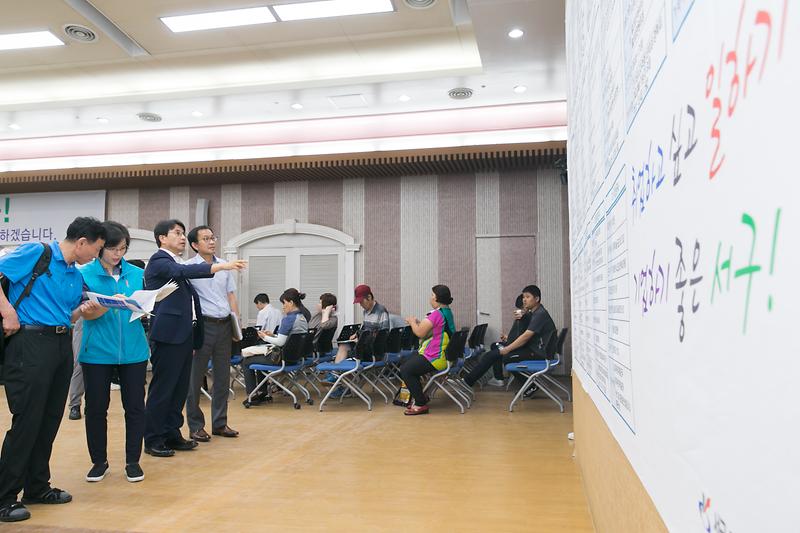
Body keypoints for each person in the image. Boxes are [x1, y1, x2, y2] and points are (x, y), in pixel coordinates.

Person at [0, 217, 106, 523]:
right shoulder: (38, 252)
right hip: (29, 342)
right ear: (82, 242)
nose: (95, 257)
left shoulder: (74, 274)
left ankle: (37, 486)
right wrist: (7, 311)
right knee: (27, 420)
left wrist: (89, 310)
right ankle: (5, 496)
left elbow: (70, 313)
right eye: (96, 250)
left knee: (49, 419)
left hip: (60, 344)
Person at [143, 219, 246, 458]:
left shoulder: (175, 262)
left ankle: (172, 433)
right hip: (168, 336)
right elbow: (181, 272)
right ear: (162, 238)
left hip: (184, 335)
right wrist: (220, 267)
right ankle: (153, 439)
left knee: (179, 389)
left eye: (182, 233)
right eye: (177, 233)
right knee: (163, 389)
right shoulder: (160, 261)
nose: (181, 237)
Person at [77, 221, 149, 483]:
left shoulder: (137, 273)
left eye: (123, 248)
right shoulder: (84, 274)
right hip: (96, 351)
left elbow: (145, 304)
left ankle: (133, 462)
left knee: (135, 408)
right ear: (99, 247)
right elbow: (87, 314)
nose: (118, 254)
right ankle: (99, 462)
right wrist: (110, 304)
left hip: (134, 350)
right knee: (96, 408)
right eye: (113, 249)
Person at [184, 225, 240, 442]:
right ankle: (196, 426)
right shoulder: (189, 268)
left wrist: (236, 324)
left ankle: (220, 423)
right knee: (194, 378)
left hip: (225, 325)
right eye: (206, 239)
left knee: (223, 376)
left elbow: (231, 296)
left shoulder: (224, 266)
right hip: (202, 326)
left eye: (213, 237)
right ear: (195, 245)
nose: (212, 241)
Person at [463, 285, 557, 388]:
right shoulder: (535, 313)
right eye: (523, 297)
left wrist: (507, 349)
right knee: (493, 354)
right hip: (534, 350)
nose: (524, 300)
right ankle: (468, 381)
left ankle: (531, 386)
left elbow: (526, 336)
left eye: (527, 297)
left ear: (537, 299)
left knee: (505, 357)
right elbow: (525, 334)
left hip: (540, 353)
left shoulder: (540, 314)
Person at [243, 288, 309, 404]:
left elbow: (280, 343)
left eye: (284, 303)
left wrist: (264, 337)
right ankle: (261, 392)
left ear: (291, 303)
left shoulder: (289, 319)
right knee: (258, 361)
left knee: (247, 361)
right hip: (295, 358)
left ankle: (253, 394)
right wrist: (273, 335)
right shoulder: (302, 318)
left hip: (281, 359)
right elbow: (289, 338)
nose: (283, 306)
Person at [399, 285, 455, 415]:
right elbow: (433, 329)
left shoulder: (436, 314)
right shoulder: (447, 312)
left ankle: (420, 403)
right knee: (406, 361)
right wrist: (419, 323)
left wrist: (412, 321)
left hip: (435, 357)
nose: (430, 297)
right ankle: (420, 393)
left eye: (432, 295)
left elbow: (420, 333)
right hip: (445, 355)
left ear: (436, 298)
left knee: (406, 370)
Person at [333, 284, 390, 363]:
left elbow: (383, 334)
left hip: (374, 350)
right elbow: (365, 329)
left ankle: (340, 371)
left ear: (369, 297)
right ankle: (337, 372)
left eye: (362, 302)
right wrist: (357, 334)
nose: (360, 305)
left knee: (346, 352)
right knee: (343, 346)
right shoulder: (365, 312)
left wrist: (362, 340)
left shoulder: (381, 311)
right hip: (364, 345)